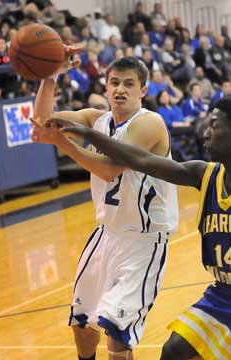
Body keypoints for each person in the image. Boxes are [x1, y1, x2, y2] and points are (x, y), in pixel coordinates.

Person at [51, 97, 231, 360]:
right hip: (222, 293)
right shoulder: (205, 175)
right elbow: (141, 159)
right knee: (173, 351)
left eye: (214, 125)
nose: (205, 132)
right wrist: (90, 135)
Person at [31, 54, 179, 360]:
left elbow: (109, 168)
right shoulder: (95, 119)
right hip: (105, 236)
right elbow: (43, 121)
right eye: (114, 82)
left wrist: (64, 143)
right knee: (82, 325)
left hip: (143, 242)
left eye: (129, 83)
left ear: (143, 91)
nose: (120, 89)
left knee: (116, 332)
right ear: (106, 87)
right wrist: (50, 75)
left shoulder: (150, 123)